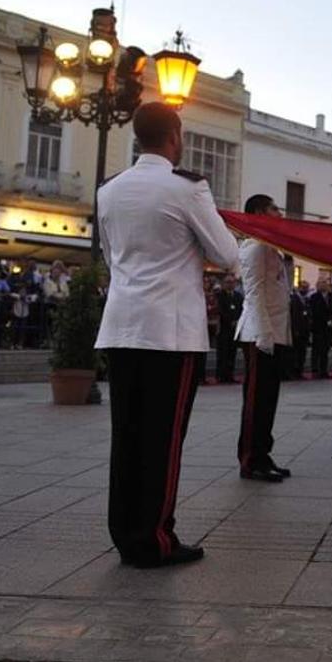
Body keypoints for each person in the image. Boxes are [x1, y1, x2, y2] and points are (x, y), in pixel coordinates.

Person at [95, 102, 239, 569]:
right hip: (170, 332)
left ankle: (125, 532)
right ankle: (155, 536)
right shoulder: (188, 188)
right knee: (163, 438)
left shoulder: (110, 190)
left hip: (120, 325)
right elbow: (226, 252)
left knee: (128, 435)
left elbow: (110, 255)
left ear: (138, 138)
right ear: (174, 137)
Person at [234, 194, 292, 483]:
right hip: (259, 333)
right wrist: (264, 333)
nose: (279, 214)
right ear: (258, 212)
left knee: (269, 399)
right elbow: (254, 291)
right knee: (256, 400)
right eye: (274, 209)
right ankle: (250, 459)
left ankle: (263, 454)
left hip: (274, 332)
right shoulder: (255, 247)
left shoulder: (272, 247)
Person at [215, 274, 243, 383]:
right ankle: (221, 375)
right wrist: (230, 321)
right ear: (223, 284)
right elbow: (220, 310)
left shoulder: (238, 296)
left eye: (232, 282)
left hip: (234, 330)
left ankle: (230, 375)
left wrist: (237, 321)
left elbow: (241, 309)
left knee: (232, 353)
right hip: (224, 329)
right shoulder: (220, 296)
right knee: (223, 353)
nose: (230, 284)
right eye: (228, 282)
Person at [308, 278, 332, 379]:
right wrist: (325, 321)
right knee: (316, 350)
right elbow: (315, 312)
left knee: (325, 350)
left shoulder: (331, 297)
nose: (324, 285)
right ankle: (315, 370)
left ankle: (324, 371)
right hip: (318, 327)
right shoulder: (314, 297)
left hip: (328, 329)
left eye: (325, 283)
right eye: (322, 283)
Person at [289, 279, 310, 379]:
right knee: (295, 352)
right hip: (297, 330)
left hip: (305, 330)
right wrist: (295, 329)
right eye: (303, 287)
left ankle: (300, 371)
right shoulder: (294, 299)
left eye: (306, 288)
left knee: (302, 352)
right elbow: (293, 315)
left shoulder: (306, 299)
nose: (305, 289)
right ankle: (294, 371)